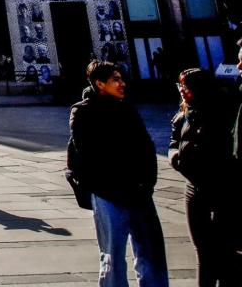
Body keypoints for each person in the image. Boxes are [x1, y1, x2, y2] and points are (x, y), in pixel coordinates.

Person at [69, 60, 167, 287]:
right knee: (112, 256)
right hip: (108, 194)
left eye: (122, 79)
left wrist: (148, 182)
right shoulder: (83, 112)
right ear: (100, 84)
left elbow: (146, 146)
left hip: (140, 192)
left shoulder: (127, 107)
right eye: (116, 80)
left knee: (150, 252)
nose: (122, 83)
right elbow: (87, 153)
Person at [168, 68, 239, 287]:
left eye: (185, 87)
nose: (182, 91)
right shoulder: (184, 114)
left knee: (224, 249)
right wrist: (175, 157)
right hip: (194, 188)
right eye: (180, 87)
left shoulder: (225, 112)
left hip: (222, 188)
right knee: (203, 250)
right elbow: (173, 142)